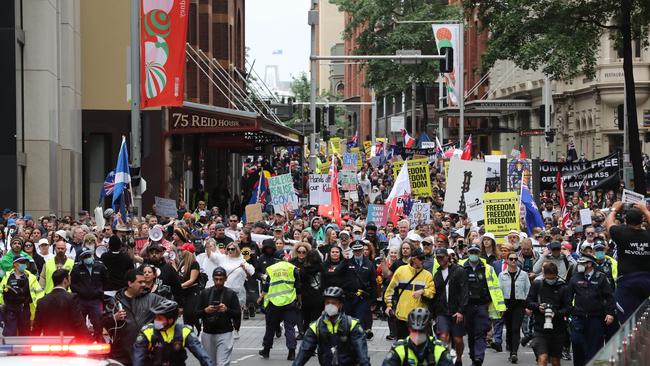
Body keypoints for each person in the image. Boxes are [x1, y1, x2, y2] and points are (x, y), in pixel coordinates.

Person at [292, 286, 370, 366]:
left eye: (333, 303)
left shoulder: (352, 325)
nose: (330, 306)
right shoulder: (316, 326)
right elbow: (304, 352)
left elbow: (362, 355)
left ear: (340, 305)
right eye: (327, 303)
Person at [103, 268, 166, 365]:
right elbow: (102, 322)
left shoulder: (152, 299)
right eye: (140, 282)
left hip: (146, 354)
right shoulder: (115, 301)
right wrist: (114, 318)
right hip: (121, 355)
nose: (144, 285)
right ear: (130, 283)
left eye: (144, 282)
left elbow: (171, 309)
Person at [461, 244, 506, 366]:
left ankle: (479, 358)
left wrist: (500, 307)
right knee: (470, 333)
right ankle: (473, 355)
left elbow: (496, 287)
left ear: (479, 253)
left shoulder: (488, 268)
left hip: (482, 305)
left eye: (476, 252)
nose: (474, 255)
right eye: (471, 252)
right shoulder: (461, 267)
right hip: (467, 306)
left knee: (480, 332)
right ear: (468, 253)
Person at [133, 299, 213, 366]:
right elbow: (138, 357)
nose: (156, 320)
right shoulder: (147, 331)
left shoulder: (184, 331)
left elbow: (202, 355)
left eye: (160, 318)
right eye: (156, 317)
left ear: (170, 320)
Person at [567, 254, 615, 366]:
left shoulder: (601, 278)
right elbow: (568, 297)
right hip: (578, 317)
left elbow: (609, 297)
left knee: (594, 347)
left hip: (596, 318)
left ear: (589, 264)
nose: (579, 265)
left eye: (582, 263)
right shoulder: (575, 277)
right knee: (577, 342)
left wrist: (610, 313)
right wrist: (569, 312)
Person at [605, 202, 650, 323]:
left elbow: (608, 223)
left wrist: (614, 209)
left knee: (629, 320)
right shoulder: (648, 235)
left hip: (627, 282)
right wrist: (645, 210)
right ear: (642, 221)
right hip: (647, 281)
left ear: (625, 221)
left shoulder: (620, 233)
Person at [526, 262, 572, 366]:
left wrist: (556, 313)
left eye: (552, 278)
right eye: (548, 278)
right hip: (540, 328)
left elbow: (568, 308)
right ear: (544, 275)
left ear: (556, 275)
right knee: (543, 358)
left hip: (558, 329)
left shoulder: (563, 287)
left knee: (555, 360)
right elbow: (528, 302)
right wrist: (538, 307)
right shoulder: (537, 285)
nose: (550, 280)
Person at [384, 248, 435, 339]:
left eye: (424, 258)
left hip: (420, 318)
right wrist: (389, 305)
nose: (423, 261)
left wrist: (423, 291)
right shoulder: (401, 271)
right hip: (402, 317)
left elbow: (432, 292)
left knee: (421, 347)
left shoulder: (427, 275)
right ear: (413, 259)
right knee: (402, 345)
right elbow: (390, 290)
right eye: (420, 259)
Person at [196, 267, 241, 366]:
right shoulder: (205, 293)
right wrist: (206, 311)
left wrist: (226, 310)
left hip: (225, 333)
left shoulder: (231, 294)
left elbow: (238, 313)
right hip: (208, 333)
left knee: (222, 363)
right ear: (212, 278)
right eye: (216, 279)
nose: (218, 282)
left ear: (226, 279)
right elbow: (195, 313)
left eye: (221, 279)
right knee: (209, 363)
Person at [258, 259, 301, 360]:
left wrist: (260, 297)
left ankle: (266, 350)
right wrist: (299, 300)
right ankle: (292, 353)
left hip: (274, 302)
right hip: (289, 301)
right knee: (289, 327)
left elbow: (267, 286)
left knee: (270, 327)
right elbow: (298, 287)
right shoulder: (293, 269)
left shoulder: (272, 269)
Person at [432, 248, 467, 366]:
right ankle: (445, 361)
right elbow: (435, 295)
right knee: (443, 336)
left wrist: (461, 311)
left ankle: (458, 358)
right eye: (438, 257)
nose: (440, 259)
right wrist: (434, 314)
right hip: (442, 312)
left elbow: (464, 291)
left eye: (442, 256)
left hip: (456, 311)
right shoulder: (436, 275)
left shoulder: (459, 271)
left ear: (448, 257)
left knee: (458, 340)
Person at [382, 308, 454, 366]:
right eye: (414, 331)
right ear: (409, 329)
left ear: (428, 330)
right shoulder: (399, 348)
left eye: (421, 331)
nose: (417, 335)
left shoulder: (439, 349)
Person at [32, 268, 88, 338]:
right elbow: (78, 322)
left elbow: (37, 326)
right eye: (69, 279)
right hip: (69, 341)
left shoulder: (42, 301)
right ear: (65, 280)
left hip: (49, 343)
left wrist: (31, 343)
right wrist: (88, 340)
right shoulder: (72, 298)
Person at [498, 251, 531, 364]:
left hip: (519, 304)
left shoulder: (524, 275)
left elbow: (528, 290)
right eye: (511, 259)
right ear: (506, 260)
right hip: (507, 304)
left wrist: (527, 306)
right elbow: (499, 291)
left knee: (516, 328)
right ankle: (511, 348)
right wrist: (500, 306)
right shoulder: (502, 275)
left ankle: (514, 353)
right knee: (509, 328)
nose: (513, 261)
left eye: (515, 259)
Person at [70, 248, 109, 341]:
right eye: (85, 257)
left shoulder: (100, 266)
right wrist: (80, 292)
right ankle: (81, 340)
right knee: (80, 322)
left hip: (96, 300)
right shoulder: (76, 268)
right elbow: (72, 284)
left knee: (98, 322)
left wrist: (100, 291)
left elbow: (106, 280)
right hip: (81, 300)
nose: (87, 258)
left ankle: (98, 341)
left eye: (89, 256)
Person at [0, 255, 43, 336]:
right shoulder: (7, 276)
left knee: (25, 333)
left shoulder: (31, 277)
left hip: (25, 308)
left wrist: (39, 307)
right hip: (10, 308)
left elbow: (39, 293)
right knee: (10, 333)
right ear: (15, 264)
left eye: (25, 263)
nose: (24, 265)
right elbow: (1, 291)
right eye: (22, 262)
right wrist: (2, 304)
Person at [344, 241, 377, 339]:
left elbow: (373, 283)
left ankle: (359, 342)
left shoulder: (369, 264)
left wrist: (373, 300)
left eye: (359, 250)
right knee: (349, 321)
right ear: (352, 252)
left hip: (363, 298)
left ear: (363, 250)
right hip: (349, 297)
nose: (357, 252)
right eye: (355, 250)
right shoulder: (347, 262)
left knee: (360, 321)